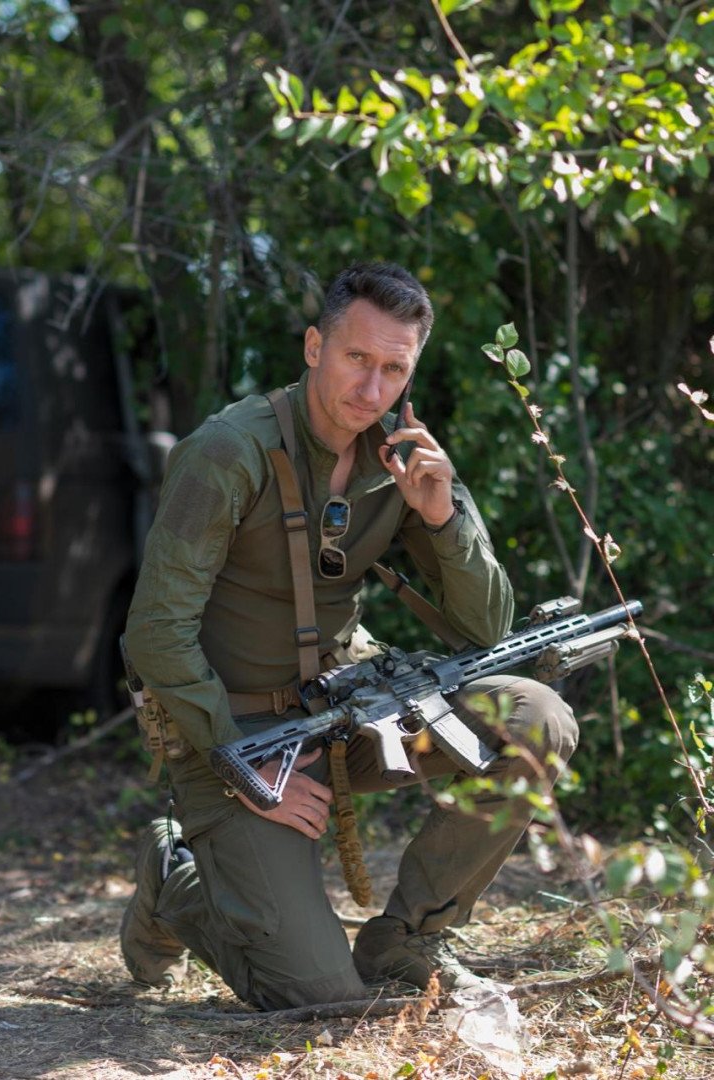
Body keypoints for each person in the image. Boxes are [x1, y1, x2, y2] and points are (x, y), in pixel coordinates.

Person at [121, 261, 578, 1009]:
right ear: (313, 348)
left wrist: (442, 517)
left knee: (534, 716)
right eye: (355, 359)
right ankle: (176, 883)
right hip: (231, 729)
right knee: (317, 1000)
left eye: (393, 369)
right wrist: (242, 767)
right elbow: (155, 634)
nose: (371, 391)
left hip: (346, 708)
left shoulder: (403, 456)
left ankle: (408, 937)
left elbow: (485, 629)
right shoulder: (227, 452)